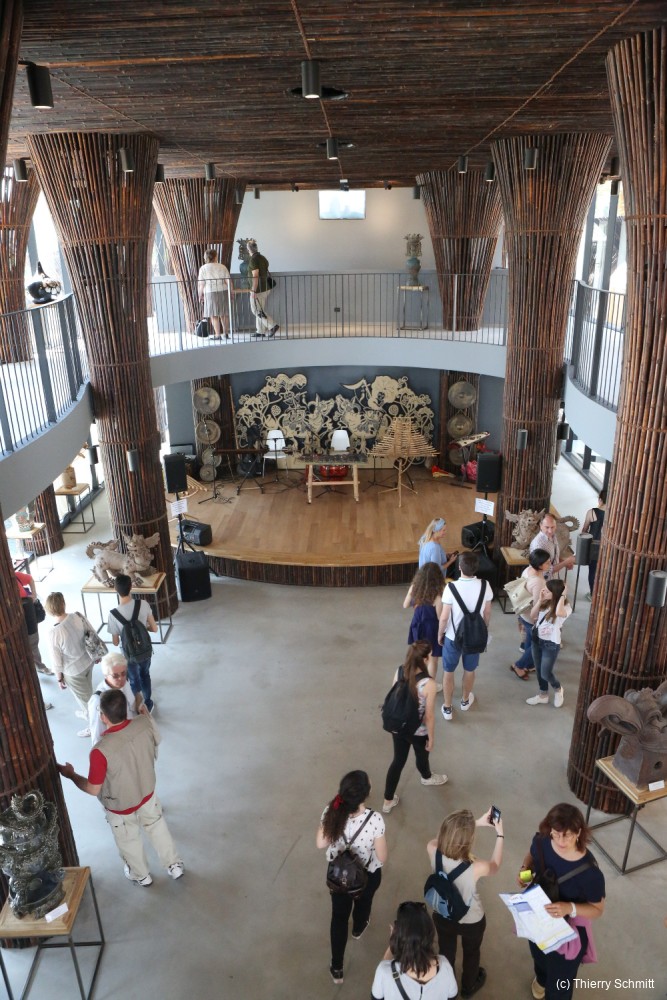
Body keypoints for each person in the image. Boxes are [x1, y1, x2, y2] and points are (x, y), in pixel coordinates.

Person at [58, 687, 184, 886]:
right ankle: (174, 865)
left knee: (128, 839)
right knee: (157, 826)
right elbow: (157, 740)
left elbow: (93, 788)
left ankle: (141, 875)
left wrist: (71, 775)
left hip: (121, 806)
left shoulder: (100, 751)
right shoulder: (144, 723)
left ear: (102, 716)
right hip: (147, 792)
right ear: (125, 709)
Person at [518, 803, 605, 1000]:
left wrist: (569, 907)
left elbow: (598, 909)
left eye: (567, 835)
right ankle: (541, 979)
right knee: (538, 954)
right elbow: (532, 856)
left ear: (579, 832)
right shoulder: (542, 840)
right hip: (539, 915)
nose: (560, 841)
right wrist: (524, 873)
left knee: (560, 982)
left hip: (568, 931)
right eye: (556, 834)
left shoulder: (591, 874)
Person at [316, 770, 387, 985]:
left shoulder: (332, 810)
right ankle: (358, 928)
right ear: (366, 795)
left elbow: (320, 843)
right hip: (365, 875)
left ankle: (337, 967)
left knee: (338, 918)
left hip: (339, 878)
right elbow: (382, 856)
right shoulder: (375, 820)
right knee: (364, 902)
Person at [426, 808, 503, 999]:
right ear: (469, 840)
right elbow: (495, 865)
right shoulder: (477, 867)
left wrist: (469, 825)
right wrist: (500, 834)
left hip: (443, 914)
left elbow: (440, 838)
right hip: (471, 920)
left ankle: (448, 986)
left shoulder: (432, 850)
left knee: (446, 951)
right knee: (471, 952)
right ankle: (469, 986)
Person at [382, 640, 447, 815]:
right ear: (425, 659)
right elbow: (429, 716)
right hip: (418, 731)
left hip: (399, 727)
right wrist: (431, 738)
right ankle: (426, 777)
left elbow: (395, 697)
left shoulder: (400, 671)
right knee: (422, 755)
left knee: (398, 761)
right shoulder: (428, 684)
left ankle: (388, 800)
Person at [437, 552, 493, 720]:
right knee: (470, 670)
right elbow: (487, 613)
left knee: (448, 671)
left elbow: (444, 617)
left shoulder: (451, 588)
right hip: (474, 637)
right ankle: (465, 700)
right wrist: (483, 630)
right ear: (476, 568)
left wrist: (440, 634)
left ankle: (447, 707)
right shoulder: (485, 585)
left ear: (460, 567)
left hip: (452, 637)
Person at [371, 901, 458, 999]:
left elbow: (376, 997)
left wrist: (392, 946)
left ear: (399, 935)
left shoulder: (384, 972)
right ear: (430, 934)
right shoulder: (445, 966)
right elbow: (452, 996)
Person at [45, 592, 96, 735]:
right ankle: (86, 712)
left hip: (73, 671)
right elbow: (91, 632)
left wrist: (59, 678)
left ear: (49, 610)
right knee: (87, 692)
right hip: (88, 661)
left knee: (87, 700)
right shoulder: (77, 616)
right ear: (63, 603)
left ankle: (93, 726)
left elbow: (56, 660)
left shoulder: (54, 632)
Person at [107, 574, 158, 714]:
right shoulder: (143, 604)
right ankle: (148, 703)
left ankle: (138, 706)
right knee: (145, 675)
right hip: (145, 650)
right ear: (131, 587)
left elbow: (115, 642)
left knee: (134, 679)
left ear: (115, 590)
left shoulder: (113, 615)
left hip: (129, 655)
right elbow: (154, 629)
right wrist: (144, 628)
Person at [525, 580, 571, 708]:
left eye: (547, 590)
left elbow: (559, 613)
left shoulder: (566, 607)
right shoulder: (545, 602)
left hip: (551, 644)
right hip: (537, 640)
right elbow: (532, 615)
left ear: (555, 593)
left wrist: (563, 595)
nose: (543, 590)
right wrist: (540, 600)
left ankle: (558, 688)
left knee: (546, 673)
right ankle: (543, 695)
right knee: (539, 670)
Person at [88, 650, 146, 745]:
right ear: (105, 675)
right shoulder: (98, 701)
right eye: (115, 676)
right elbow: (97, 736)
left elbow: (132, 706)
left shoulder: (124, 683)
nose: (121, 678)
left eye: (124, 673)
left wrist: (139, 706)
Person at [510, 548, 551, 680]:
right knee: (538, 645)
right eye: (547, 562)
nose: (550, 564)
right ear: (539, 565)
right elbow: (538, 604)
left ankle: (529, 664)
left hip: (524, 613)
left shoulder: (528, 570)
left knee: (530, 639)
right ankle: (519, 665)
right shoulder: (538, 582)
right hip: (532, 617)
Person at [403, 562, 445, 686]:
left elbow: (405, 605)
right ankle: (429, 685)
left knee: (418, 654)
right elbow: (439, 616)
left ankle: (416, 681)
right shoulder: (438, 593)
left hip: (417, 625)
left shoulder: (414, 588)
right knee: (432, 658)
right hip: (431, 627)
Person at [15, 569, 50, 676]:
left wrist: (34, 594)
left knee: (33, 642)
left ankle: (39, 666)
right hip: (13, 620)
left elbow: (29, 579)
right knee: (18, 645)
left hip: (28, 614)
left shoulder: (13, 575)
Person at [247, 238, 278, 338]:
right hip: (266, 288)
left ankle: (272, 325)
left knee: (256, 310)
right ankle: (260, 331)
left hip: (258, 289)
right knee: (260, 309)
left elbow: (255, 275)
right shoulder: (262, 258)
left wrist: (253, 290)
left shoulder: (253, 260)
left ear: (248, 250)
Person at [529, 513, 575, 580]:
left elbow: (553, 557)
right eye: (547, 527)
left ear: (556, 526)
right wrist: (566, 561)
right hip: (542, 582)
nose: (550, 531)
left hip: (553, 579)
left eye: (552, 527)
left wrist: (564, 562)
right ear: (541, 525)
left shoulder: (553, 536)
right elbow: (547, 571)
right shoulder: (538, 544)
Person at [197, 247, 230, 339]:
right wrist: (231, 292)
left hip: (210, 292)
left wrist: (200, 295)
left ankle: (218, 335)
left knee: (213, 314)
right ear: (215, 256)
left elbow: (201, 284)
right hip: (223, 290)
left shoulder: (203, 268)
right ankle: (226, 333)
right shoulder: (222, 267)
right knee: (224, 313)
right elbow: (228, 281)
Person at [582, 490, 607, 599]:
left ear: (600, 499)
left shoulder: (591, 512)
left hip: (593, 546)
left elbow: (584, 531)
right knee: (605, 571)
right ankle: (603, 595)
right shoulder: (615, 515)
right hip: (607, 547)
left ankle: (593, 595)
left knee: (593, 571)